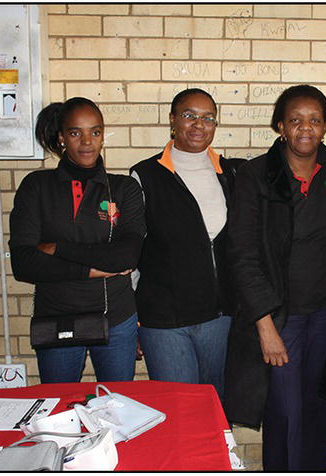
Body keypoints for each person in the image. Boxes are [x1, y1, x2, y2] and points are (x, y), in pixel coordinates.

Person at [224, 85, 326, 471]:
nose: (306, 128)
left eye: (315, 120)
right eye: (296, 120)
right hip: (280, 317)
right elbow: (242, 254)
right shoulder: (256, 175)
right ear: (281, 126)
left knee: (319, 411)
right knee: (285, 413)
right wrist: (265, 325)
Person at [9, 97, 146, 383]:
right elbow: (24, 264)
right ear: (61, 138)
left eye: (95, 132)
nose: (87, 142)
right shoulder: (36, 187)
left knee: (117, 408)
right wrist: (96, 269)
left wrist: (58, 248)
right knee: (58, 408)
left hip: (116, 320)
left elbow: (127, 257)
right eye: (75, 133)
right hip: (58, 319)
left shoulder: (123, 188)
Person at [130, 88, 243, 399]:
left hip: (219, 318)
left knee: (217, 408)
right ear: (172, 120)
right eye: (189, 116)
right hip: (164, 321)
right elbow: (134, 253)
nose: (199, 125)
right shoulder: (145, 175)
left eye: (208, 118)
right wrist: (133, 318)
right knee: (179, 409)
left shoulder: (231, 173)